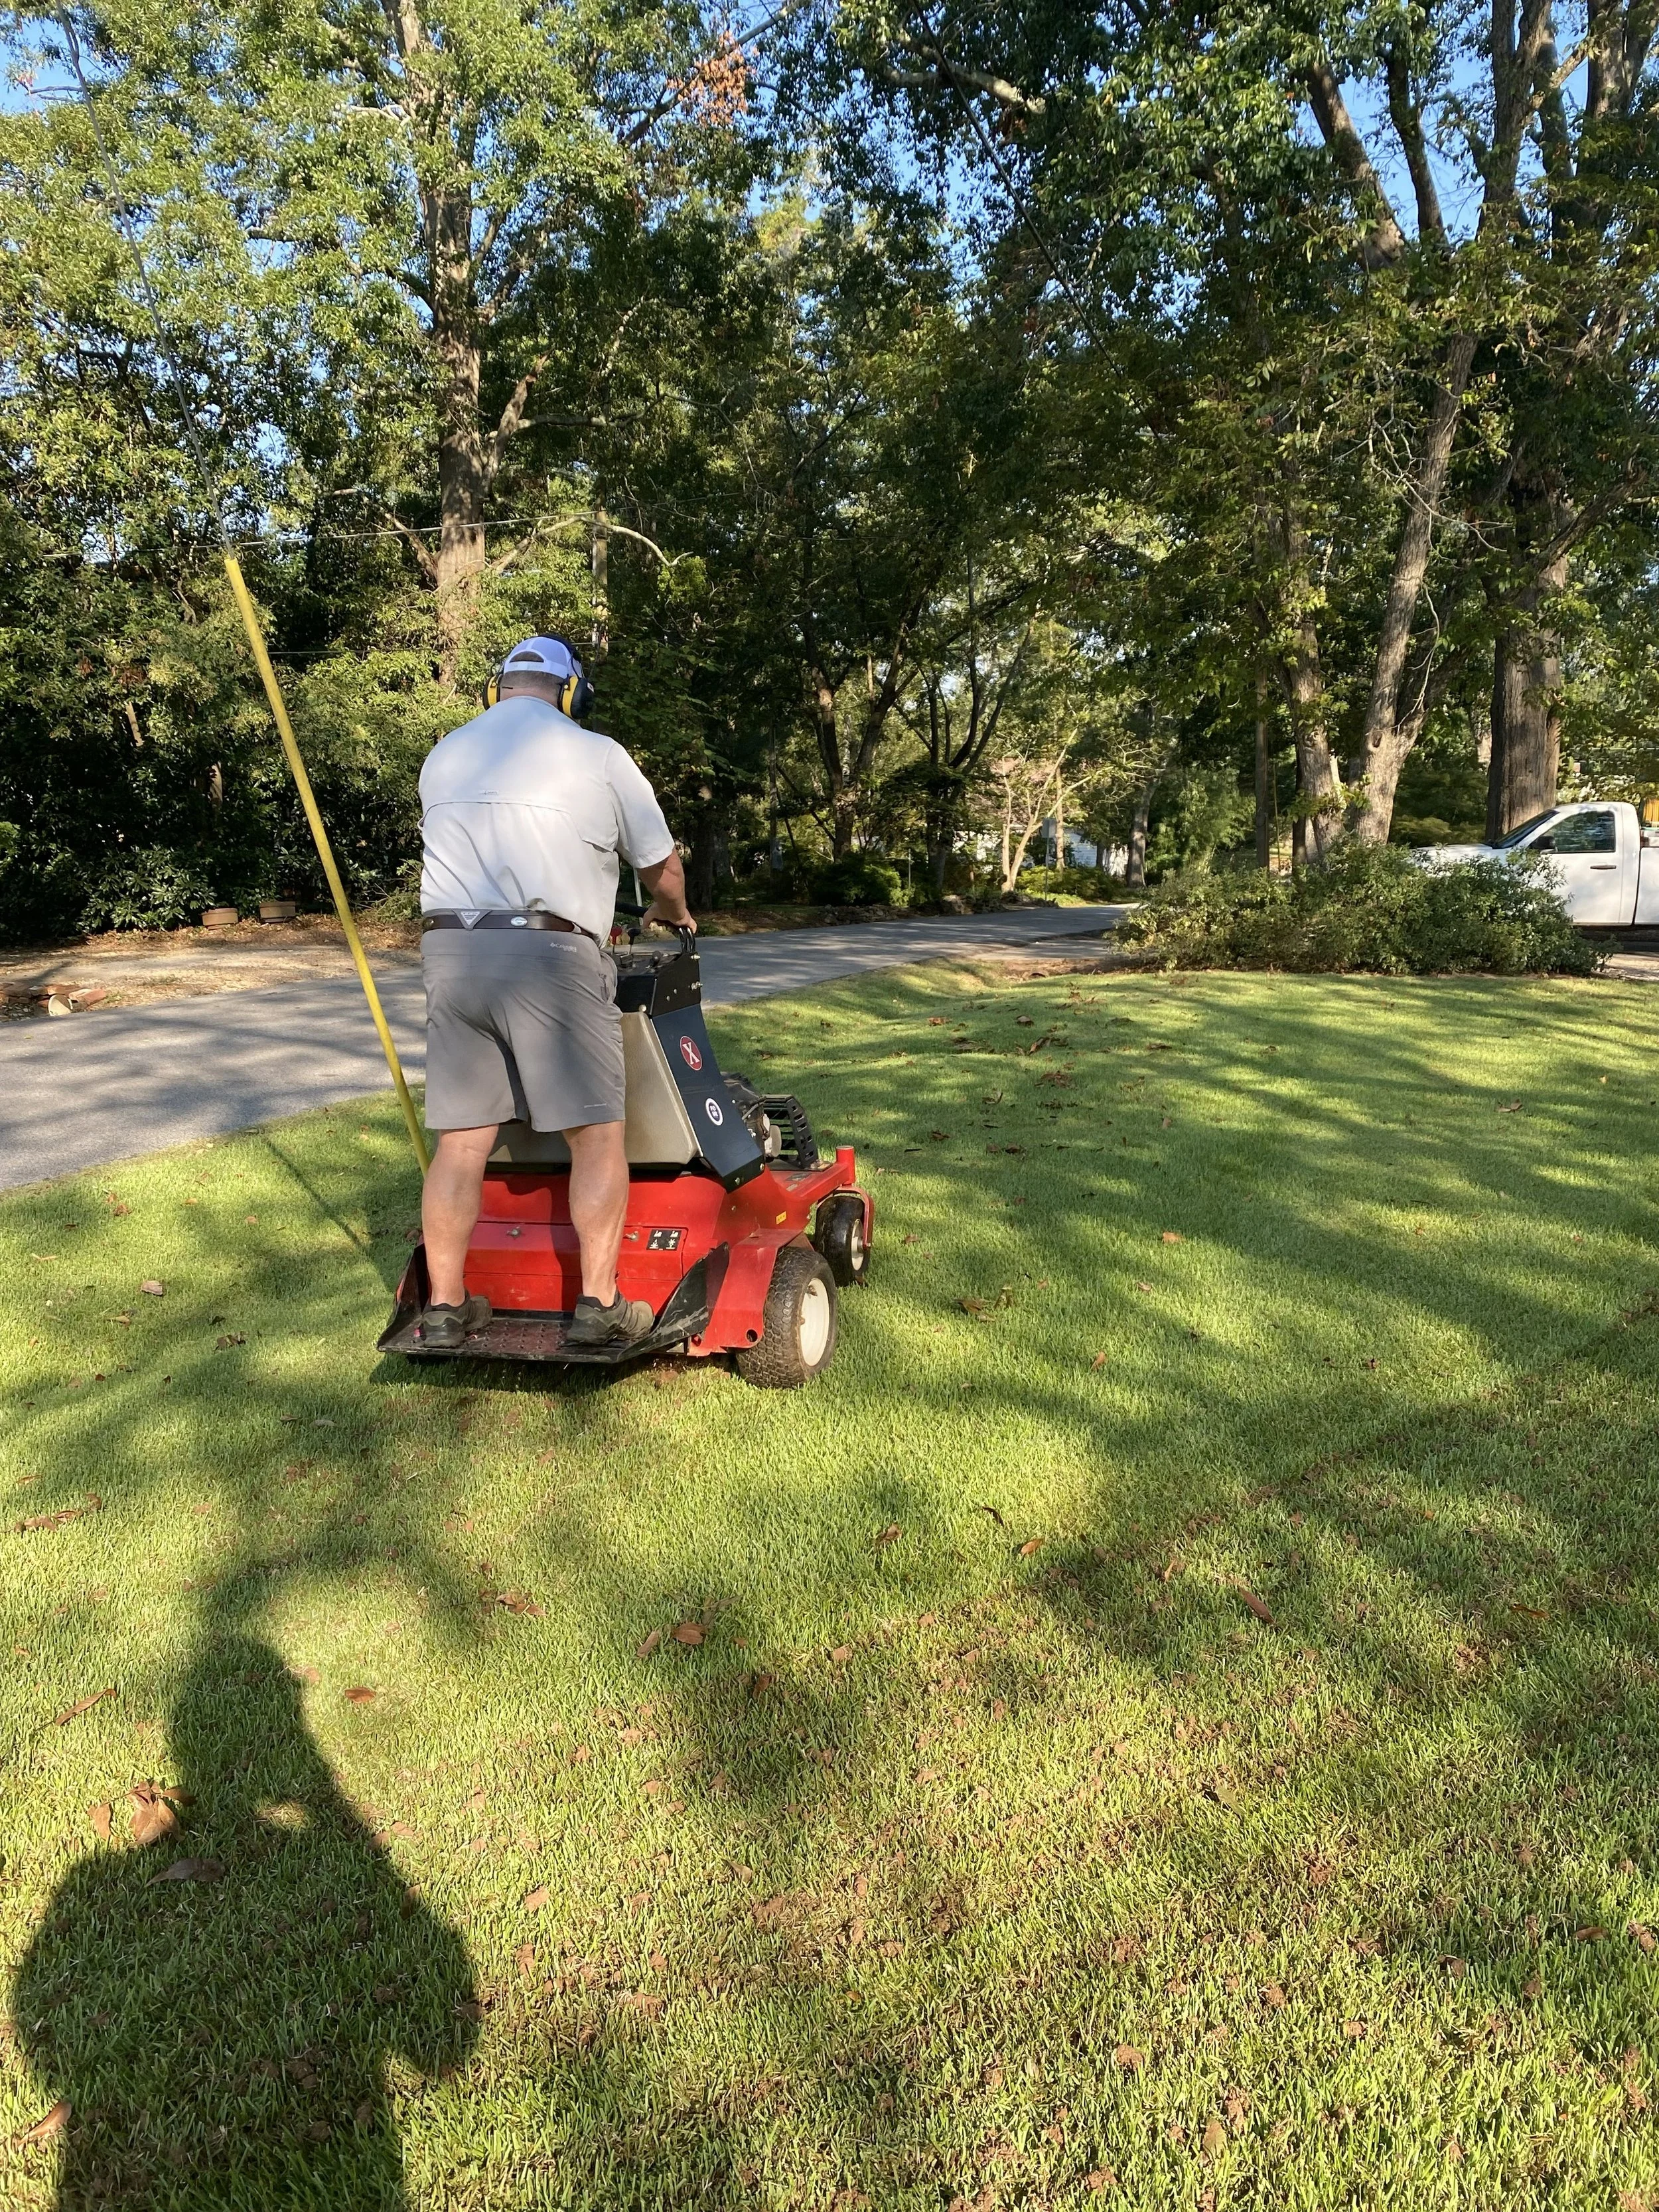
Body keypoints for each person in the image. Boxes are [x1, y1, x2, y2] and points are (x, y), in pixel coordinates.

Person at [415, 633, 695, 1349]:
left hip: (449, 951)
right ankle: (599, 1303)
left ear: (496, 688)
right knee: (597, 1133)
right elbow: (659, 865)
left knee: (462, 1141)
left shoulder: (446, 753)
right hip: (548, 953)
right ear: (572, 693)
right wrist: (670, 909)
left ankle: (446, 1307)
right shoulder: (597, 754)